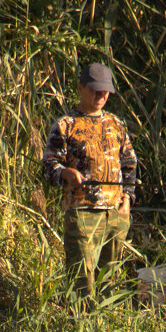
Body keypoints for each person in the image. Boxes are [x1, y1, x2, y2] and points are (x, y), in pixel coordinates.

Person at [42, 63, 138, 297]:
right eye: (95, 89)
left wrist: (127, 202)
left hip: (115, 215)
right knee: (82, 284)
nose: (101, 95)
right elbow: (48, 166)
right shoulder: (65, 125)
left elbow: (130, 165)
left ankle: (104, 329)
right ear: (81, 88)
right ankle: (79, 329)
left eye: (105, 90)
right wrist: (66, 173)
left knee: (109, 283)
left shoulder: (117, 124)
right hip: (82, 214)